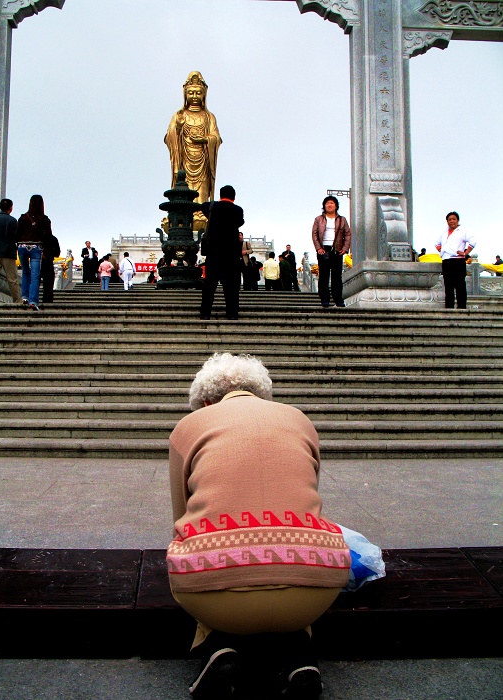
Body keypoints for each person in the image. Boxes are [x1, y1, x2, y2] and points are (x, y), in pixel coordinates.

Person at [167, 352, 350, 700]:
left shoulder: (188, 428)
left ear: (206, 401)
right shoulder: (300, 420)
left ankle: (217, 646)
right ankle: (299, 655)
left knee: (189, 552)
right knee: (291, 561)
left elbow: (179, 519)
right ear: (260, 391)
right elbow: (309, 499)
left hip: (213, 590)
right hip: (317, 586)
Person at [165, 71, 222, 205]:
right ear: (185, 94)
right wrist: (178, 128)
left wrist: (204, 139)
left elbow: (216, 137)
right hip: (184, 160)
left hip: (203, 162)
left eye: (198, 93)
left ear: (204, 94)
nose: (195, 96)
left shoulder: (209, 117)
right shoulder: (179, 115)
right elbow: (169, 137)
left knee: (201, 192)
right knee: (185, 188)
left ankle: (201, 212)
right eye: (191, 93)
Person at [198, 185, 244, 320]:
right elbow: (240, 222)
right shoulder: (238, 210)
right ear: (234, 197)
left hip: (214, 253)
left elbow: (203, 206)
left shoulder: (211, 207)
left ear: (220, 195)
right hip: (231, 254)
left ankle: (205, 313)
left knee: (209, 285)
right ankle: (232, 313)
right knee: (231, 286)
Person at [312, 195, 351, 308]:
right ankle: (325, 299)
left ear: (336, 206)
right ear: (324, 206)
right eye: (327, 203)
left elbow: (347, 234)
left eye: (332, 203)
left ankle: (338, 299)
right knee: (323, 276)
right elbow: (314, 234)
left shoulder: (342, 219)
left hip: (337, 250)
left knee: (336, 277)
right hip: (323, 250)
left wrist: (345, 248)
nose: (329, 205)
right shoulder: (318, 219)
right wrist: (318, 248)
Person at [16, 194, 52, 311]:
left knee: (25, 272)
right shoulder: (44, 219)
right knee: (35, 275)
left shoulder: (22, 218)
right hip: (36, 247)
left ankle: (24, 296)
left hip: (22, 247)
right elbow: (49, 236)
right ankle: (33, 301)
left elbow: (16, 234)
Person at [434, 211, 476, 309]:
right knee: (448, 286)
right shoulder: (444, 232)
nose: (452, 221)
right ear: (447, 221)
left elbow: (473, 241)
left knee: (460, 285)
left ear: (457, 220)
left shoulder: (462, 231)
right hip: (446, 261)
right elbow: (436, 243)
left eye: (454, 219)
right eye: (449, 219)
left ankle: (461, 307)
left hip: (458, 261)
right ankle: (449, 307)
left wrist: (465, 252)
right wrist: (442, 250)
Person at [0, 198, 22, 305]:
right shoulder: (12, 221)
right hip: (8, 253)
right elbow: (16, 238)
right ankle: (17, 300)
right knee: (12, 279)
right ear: (10, 208)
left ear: (0, 207)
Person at [40, 228, 61, 304]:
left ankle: (33, 300)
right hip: (48, 262)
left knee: (35, 283)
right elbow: (57, 253)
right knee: (48, 285)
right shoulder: (53, 239)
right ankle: (48, 301)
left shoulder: (37, 237)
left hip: (38, 262)